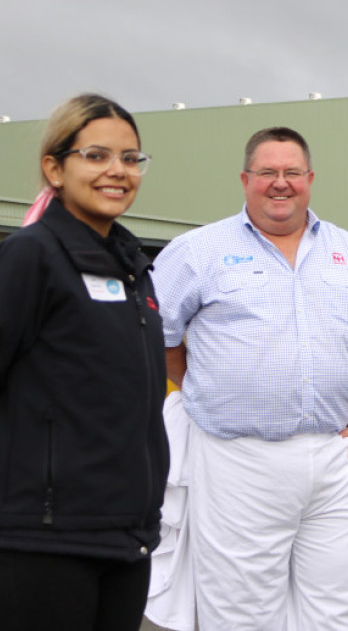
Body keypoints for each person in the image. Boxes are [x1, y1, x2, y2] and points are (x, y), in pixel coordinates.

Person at [152, 126, 348, 630]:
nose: (280, 183)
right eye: (267, 172)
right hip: (237, 459)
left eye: (292, 172)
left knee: (335, 609)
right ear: (245, 179)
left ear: (310, 179)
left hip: (334, 456)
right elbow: (159, 335)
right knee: (243, 611)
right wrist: (197, 393)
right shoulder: (197, 251)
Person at [0, 94, 167, 630]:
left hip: (126, 535)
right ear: (55, 167)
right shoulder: (33, 256)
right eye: (96, 156)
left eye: (130, 158)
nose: (116, 171)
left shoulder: (134, 270)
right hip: (43, 539)